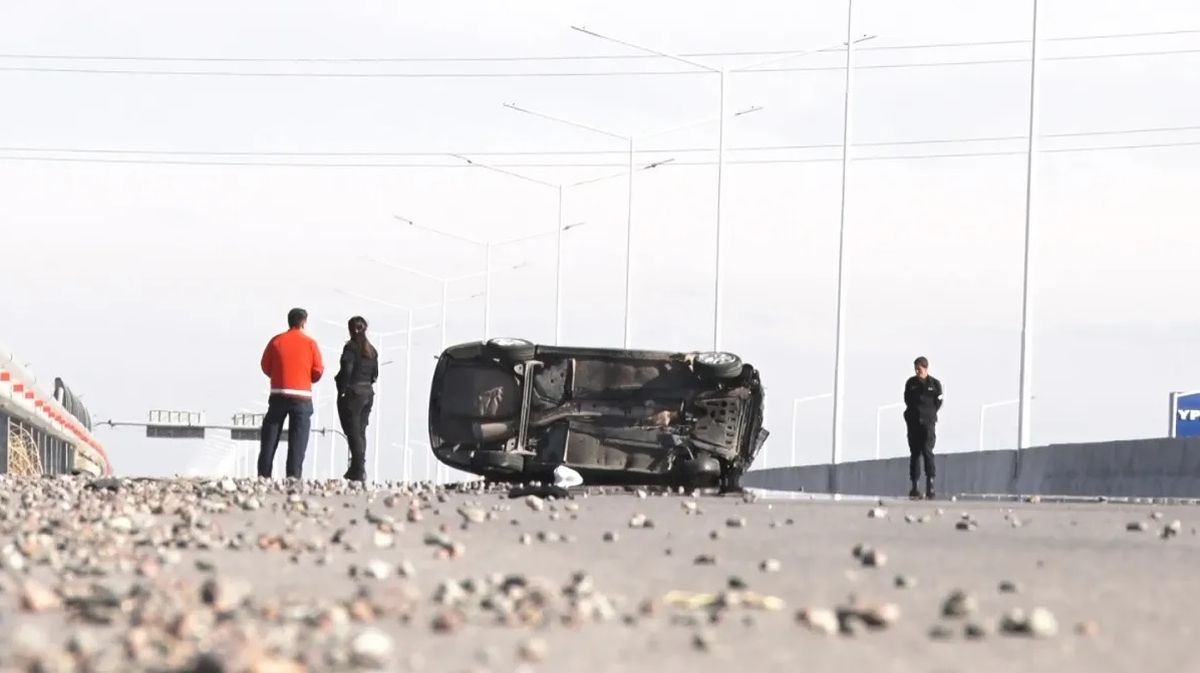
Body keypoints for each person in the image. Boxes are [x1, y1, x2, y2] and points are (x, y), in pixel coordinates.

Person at [258, 308, 324, 479]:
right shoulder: (310, 343)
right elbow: (318, 371)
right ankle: (293, 477)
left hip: (278, 394)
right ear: (303, 322)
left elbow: (265, 366)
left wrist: (279, 375)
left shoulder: (276, 341)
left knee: (270, 436)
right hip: (302, 397)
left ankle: (264, 475)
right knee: (298, 439)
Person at [334, 316, 379, 482]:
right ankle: (356, 469)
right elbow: (375, 375)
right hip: (368, 393)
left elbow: (347, 369)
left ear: (350, 329)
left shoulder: (351, 348)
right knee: (360, 432)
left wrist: (343, 389)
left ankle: (359, 469)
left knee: (353, 432)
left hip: (354, 394)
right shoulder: (372, 350)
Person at [903, 356, 943, 499]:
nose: (917, 371)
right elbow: (907, 399)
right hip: (913, 422)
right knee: (914, 453)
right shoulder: (911, 383)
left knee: (927, 451)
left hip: (928, 422)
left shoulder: (935, 384)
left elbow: (939, 402)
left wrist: (929, 413)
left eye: (919, 368)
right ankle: (915, 487)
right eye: (915, 368)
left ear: (925, 368)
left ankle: (930, 485)